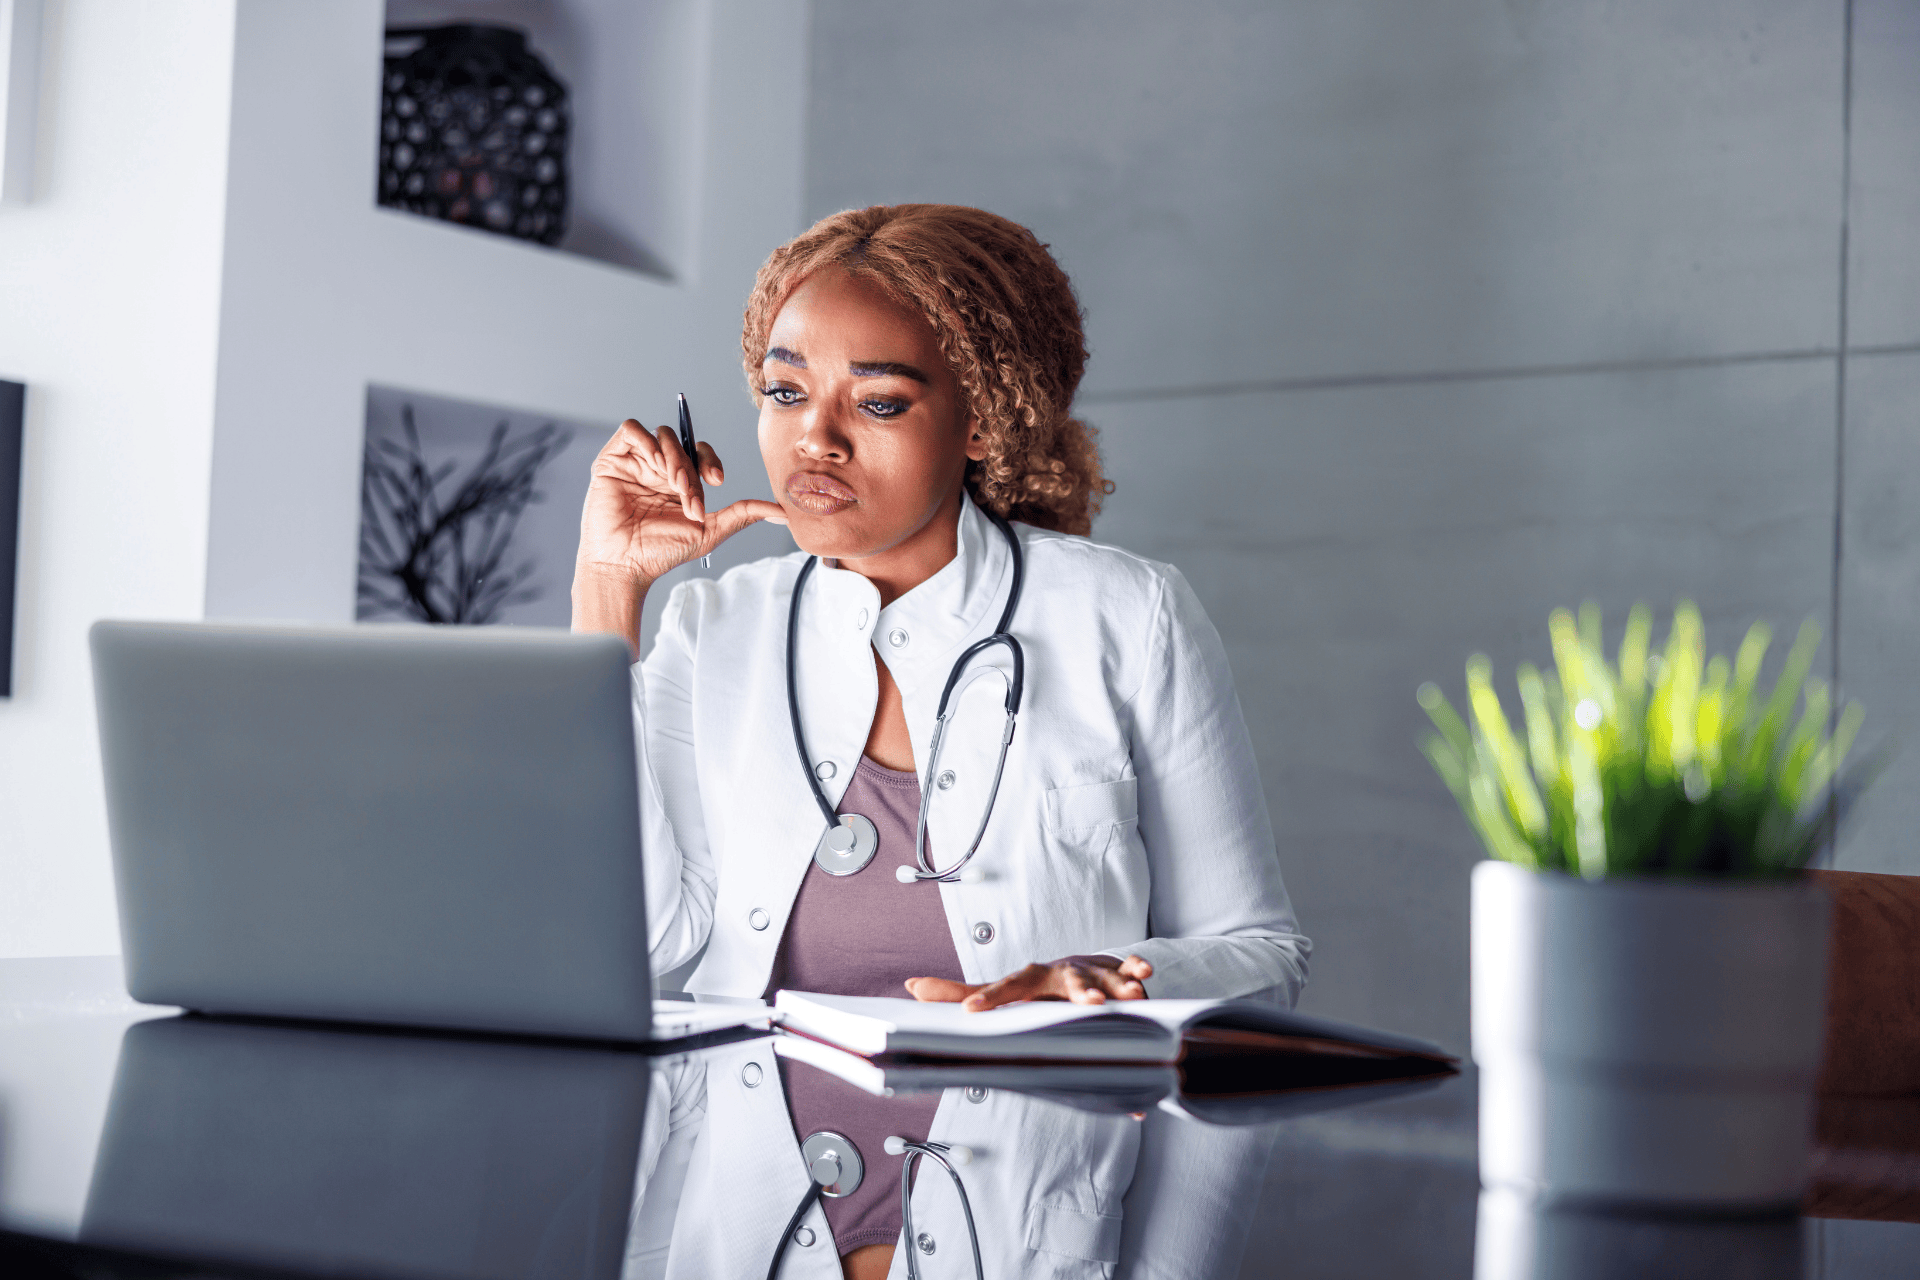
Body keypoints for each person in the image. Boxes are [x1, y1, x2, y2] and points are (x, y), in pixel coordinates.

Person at [573, 204, 1309, 1280]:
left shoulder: (1126, 616)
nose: (813, 437)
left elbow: (1265, 958)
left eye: (877, 400)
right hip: (734, 1202)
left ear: (982, 418)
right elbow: (635, 947)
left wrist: (1117, 975)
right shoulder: (710, 628)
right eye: (785, 390)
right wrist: (609, 592)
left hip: (1031, 1197)